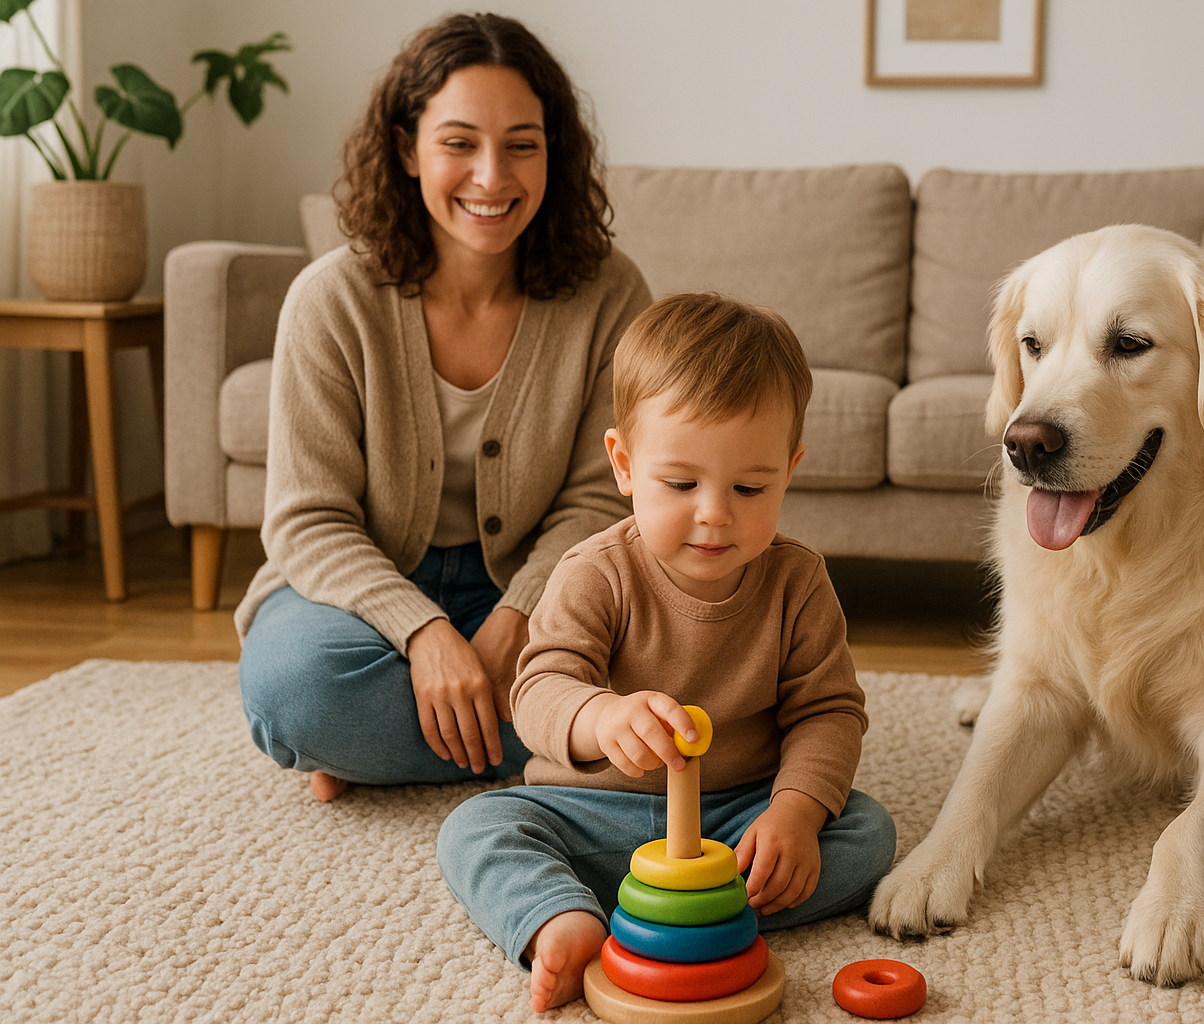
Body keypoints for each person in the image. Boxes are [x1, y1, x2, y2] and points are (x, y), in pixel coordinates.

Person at [436, 293, 898, 1013]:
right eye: (680, 484)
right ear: (623, 464)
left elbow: (829, 712)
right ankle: (564, 917)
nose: (715, 511)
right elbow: (538, 688)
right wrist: (600, 717)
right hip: (592, 812)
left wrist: (796, 814)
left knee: (868, 831)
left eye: (751, 486)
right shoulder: (596, 570)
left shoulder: (797, 580)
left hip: (731, 818)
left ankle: (689, 922)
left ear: (790, 467)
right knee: (477, 829)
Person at [235, 13, 650, 802]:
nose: (492, 177)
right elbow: (306, 521)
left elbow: (604, 494)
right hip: (362, 588)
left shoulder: (611, 293)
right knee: (298, 692)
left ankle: (376, 749)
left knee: (676, 661)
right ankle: (550, 747)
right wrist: (424, 633)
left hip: (547, 580)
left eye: (522, 144)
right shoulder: (331, 300)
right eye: (459, 142)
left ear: (552, 154)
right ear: (406, 148)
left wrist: (517, 617)